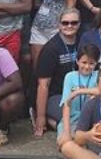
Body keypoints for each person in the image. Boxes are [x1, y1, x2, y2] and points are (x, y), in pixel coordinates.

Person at [33, 8, 86, 138]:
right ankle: (45, 116)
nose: (69, 26)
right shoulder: (50, 49)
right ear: (59, 24)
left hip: (79, 91)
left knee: (90, 114)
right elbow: (43, 85)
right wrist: (40, 118)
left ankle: (59, 125)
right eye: (65, 23)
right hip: (56, 95)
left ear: (79, 24)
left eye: (74, 23)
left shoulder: (83, 42)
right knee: (76, 116)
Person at [59, 44, 101, 142]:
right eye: (84, 62)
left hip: (93, 120)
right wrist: (66, 131)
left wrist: (79, 91)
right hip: (73, 119)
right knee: (64, 142)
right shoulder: (69, 76)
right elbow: (66, 104)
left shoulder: (99, 75)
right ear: (77, 61)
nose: (87, 66)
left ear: (96, 63)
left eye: (91, 63)